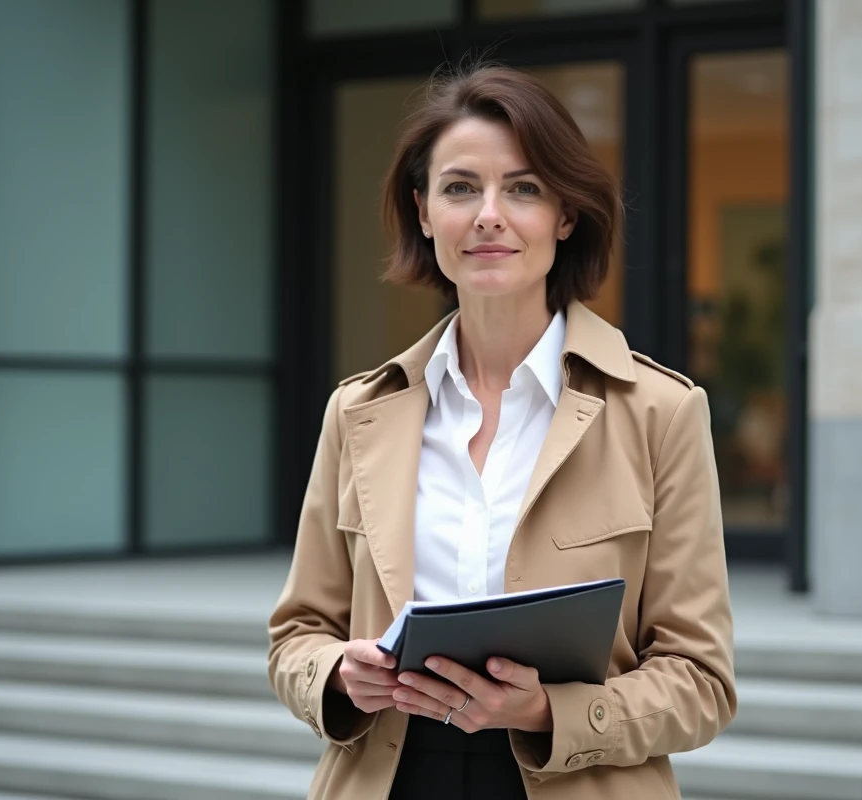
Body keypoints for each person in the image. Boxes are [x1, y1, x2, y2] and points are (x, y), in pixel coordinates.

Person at [268, 63, 736, 800]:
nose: (489, 214)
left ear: (566, 215)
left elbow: (702, 682)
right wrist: (335, 675)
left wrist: (551, 711)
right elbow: (296, 636)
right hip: (390, 776)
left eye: (522, 188)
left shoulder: (661, 411)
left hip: (574, 778)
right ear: (424, 213)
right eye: (460, 188)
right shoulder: (357, 412)